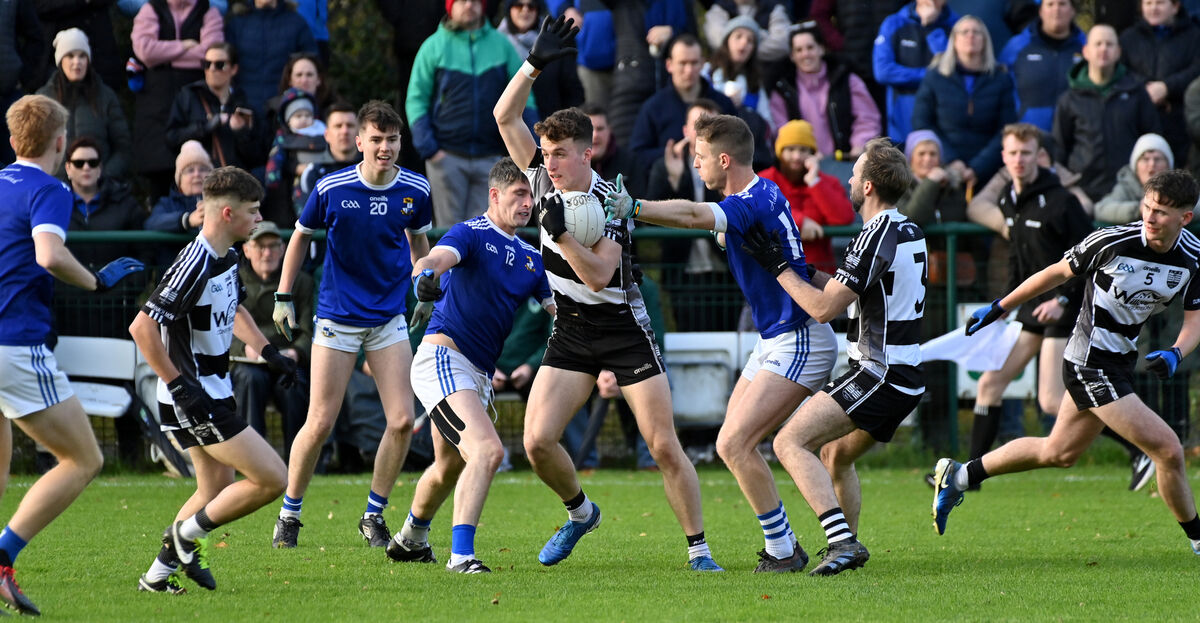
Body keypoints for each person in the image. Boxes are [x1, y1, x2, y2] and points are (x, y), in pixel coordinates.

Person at [494, 17, 722, 572]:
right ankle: (580, 513)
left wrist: (563, 234)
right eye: (544, 152)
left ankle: (699, 550)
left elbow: (598, 275)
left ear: (587, 154)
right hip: (571, 329)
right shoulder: (545, 182)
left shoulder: (610, 201)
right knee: (537, 442)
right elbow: (504, 115)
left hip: (623, 328)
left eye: (559, 153)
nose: (547, 163)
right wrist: (534, 62)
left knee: (664, 445)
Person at [605, 113, 840, 573]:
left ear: (725, 159)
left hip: (800, 337)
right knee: (730, 444)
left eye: (701, 156)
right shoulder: (764, 190)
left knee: (735, 444)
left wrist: (634, 207)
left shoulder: (746, 202)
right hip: (775, 338)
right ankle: (786, 546)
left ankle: (791, 548)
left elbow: (694, 214)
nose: (696, 165)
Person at [933, 169, 1200, 560]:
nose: (1150, 216)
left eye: (1161, 211)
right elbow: (1052, 274)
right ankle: (1197, 537)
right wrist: (999, 307)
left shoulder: (1192, 257)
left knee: (1058, 452)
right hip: (1088, 363)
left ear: (1185, 218)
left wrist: (1177, 351)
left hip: (1120, 363)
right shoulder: (1111, 241)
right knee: (1168, 449)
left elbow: (1195, 321)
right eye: (1147, 206)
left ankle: (958, 475)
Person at [730, 136, 926, 575]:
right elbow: (846, 288)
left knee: (788, 441)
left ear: (870, 187)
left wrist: (778, 268)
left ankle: (842, 544)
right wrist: (797, 268)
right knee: (835, 456)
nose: (849, 180)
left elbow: (823, 308)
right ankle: (847, 551)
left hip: (880, 373)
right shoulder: (907, 229)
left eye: (855, 173)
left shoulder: (876, 234)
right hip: (904, 374)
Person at [0, 94, 144, 614]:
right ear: (60, 143)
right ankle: (1, 559)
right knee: (84, 458)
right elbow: (48, 253)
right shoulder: (50, 189)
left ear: (14, 140)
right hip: (13, 344)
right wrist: (96, 282)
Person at [271, 100, 431, 549]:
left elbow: (419, 245)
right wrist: (284, 296)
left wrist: (423, 288)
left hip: (388, 320)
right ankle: (289, 514)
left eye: (392, 139)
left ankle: (373, 515)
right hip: (338, 319)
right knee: (320, 420)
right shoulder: (331, 187)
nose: (385, 147)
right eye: (376, 139)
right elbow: (300, 235)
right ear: (358, 142)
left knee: (401, 420)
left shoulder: (416, 189)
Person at [131, 166, 293, 595]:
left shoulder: (227, 256)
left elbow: (234, 309)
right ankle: (185, 539)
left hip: (214, 389)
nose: (258, 220)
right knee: (273, 478)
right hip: (193, 396)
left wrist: (267, 351)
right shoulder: (194, 261)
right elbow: (142, 328)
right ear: (226, 214)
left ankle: (156, 578)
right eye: (253, 212)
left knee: (214, 487)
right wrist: (179, 384)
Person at [388, 157, 553, 573]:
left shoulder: (532, 258)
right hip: (443, 359)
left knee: (449, 465)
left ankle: (410, 538)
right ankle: (461, 557)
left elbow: (560, 312)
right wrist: (422, 276)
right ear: (494, 195)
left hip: (477, 374)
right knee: (487, 450)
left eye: (531, 195)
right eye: (519, 194)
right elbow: (434, 259)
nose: (528, 203)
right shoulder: (472, 233)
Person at [960, 123, 1096, 479]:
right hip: (1034, 310)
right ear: (1003, 158)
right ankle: (968, 477)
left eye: (1026, 153)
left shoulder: (1063, 201)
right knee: (989, 384)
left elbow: (1091, 264)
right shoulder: (1008, 197)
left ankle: (1138, 445)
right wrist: (1002, 307)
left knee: (1051, 401)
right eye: (1013, 153)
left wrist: (1063, 302)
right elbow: (1018, 264)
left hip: (1066, 309)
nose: (1019, 159)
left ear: (1040, 156)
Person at [408, 0, 535, 227]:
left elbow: (525, 97)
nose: (469, 4)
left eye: (476, 0)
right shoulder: (433, 46)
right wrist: (430, 149)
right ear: (450, 6)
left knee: (488, 232)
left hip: (491, 158)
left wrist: (529, 150)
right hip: (446, 157)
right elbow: (416, 100)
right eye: (462, 0)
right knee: (449, 235)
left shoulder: (502, 45)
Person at [230, 221, 312, 459]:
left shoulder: (302, 282)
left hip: (287, 359)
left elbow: (309, 328)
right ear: (246, 250)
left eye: (273, 245)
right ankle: (253, 460)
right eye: (260, 246)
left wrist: (297, 352)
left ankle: (298, 461)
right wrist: (244, 348)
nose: (267, 253)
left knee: (294, 384)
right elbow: (223, 325)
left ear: (284, 248)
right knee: (249, 380)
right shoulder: (235, 279)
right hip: (247, 362)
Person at [1053, 24, 1161, 203]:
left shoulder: (1137, 93)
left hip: (1129, 191)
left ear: (1118, 52)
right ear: (1086, 51)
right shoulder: (1068, 100)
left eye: (1109, 44)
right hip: (1083, 191)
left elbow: (1152, 138)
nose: (1104, 49)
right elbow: (1059, 149)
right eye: (1098, 44)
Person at [131, 0, 224, 201]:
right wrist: (184, 45)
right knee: (159, 184)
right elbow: (145, 51)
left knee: (203, 179)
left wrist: (162, 55)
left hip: (195, 105)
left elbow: (209, 53)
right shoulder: (151, 9)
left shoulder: (208, 11)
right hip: (155, 111)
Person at [912, 15, 1016, 186]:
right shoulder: (935, 77)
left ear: (985, 40)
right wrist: (952, 160)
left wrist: (978, 167)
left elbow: (1006, 129)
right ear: (954, 40)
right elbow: (921, 121)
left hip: (988, 169)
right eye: (964, 32)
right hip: (944, 166)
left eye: (977, 32)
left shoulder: (1000, 79)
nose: (971, 36)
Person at [768, 23, 881, 160]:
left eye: (810, 47)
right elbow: (781, 129)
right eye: (799, 50)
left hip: (844, 161)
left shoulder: (846, 79)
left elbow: (867, 118)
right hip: (801, 164)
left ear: (821, 49)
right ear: (792, 56)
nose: (805, 54)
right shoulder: (782, 88)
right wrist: (802, 152)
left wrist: (858, 145)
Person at [758, 119, 854, 274]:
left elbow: (843, 218)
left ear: (812, 154)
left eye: (803, 150)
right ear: (779, 152)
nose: (796, 156)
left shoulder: (826, 182)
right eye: (790, 149)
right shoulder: (765, 180)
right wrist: (800, 222)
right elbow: (760, 209)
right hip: (777, 274)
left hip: (819, 273)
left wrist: (814, 182)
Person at [629, 34, 736, 172]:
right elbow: (636, 156)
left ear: (703, 63)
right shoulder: (653, 108)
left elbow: (738, 147)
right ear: (669, 65)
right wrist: (670, 152)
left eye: (694, 62)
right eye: (683, 63)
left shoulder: (723, 104)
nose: (689, 70)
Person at [36, 28, 132, 180]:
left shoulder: (105, 96)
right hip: (55, 191)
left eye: (82, 56)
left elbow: (123, 147)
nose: (77, 62)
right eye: (70, 56)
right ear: (60, 60)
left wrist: (104, 176)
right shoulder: (43, 99)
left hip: (99, 192)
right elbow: (32, 151)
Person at [1119, 0, 1200, 169]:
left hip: (1181, 124)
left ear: (1175, 7)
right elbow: (1121, 70)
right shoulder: (1128, 38)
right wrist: (1147, 89)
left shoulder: (1194, 36)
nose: (1153, 8)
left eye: (1160, 3)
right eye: (1148, 3)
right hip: (1138, 122)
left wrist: (1167, 87)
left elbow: (1196, 70)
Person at [165, 41, 266, 171]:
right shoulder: (188, 96)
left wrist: (241, 133)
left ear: (234, 69)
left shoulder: (244, 104)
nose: (212, 69)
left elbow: (258, 157)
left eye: (220, 65)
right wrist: (206, 127)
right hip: (199, 181)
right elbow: (172, 139)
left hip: (235, 183)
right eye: (207, 64)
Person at [873, 0, 958, 143]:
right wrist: (928, 75)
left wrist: (931, 28)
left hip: (944, 121)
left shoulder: (958, 26)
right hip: (901, 122)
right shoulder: (894, 23)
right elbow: (883, 71)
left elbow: (951, 71)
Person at [996, 0, 1084, 133]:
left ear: (1073, 11)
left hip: (1076, 139)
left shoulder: (1087, 48)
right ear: (1040, 11)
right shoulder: (1017, 47)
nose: (1056, 10)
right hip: (1027, 140)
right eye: (1050, 4)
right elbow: (998, 90)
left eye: (1062, 4)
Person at [224, 0, 317, 117]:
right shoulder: (236, 23)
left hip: (284, 107)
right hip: (243, 106)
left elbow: (311, 61)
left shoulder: (296, 22)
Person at [499, 0, 583, 121]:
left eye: (531, 6)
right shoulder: (495, 44)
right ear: (509, 9)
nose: (525, 10)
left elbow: (573, 92)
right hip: (508, 126)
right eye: (518, 5)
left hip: (550, 127)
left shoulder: (555, 42)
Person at [1096, 134, 1176, 225]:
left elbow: (1194, 205)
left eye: (1157, 159)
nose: (1152, 164)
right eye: (1145, 159)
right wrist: (1139, 209)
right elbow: (1101, 209)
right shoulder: (1127, 186)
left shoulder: (1178, 185)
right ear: (1136, 167)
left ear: (1168, 165)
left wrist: (1170, 206)